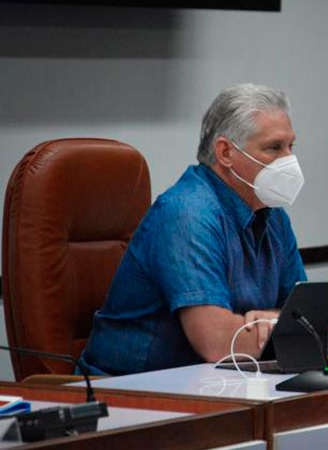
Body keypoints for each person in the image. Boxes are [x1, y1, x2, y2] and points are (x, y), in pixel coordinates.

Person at [81, 83, 307, 375]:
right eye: (274, 148)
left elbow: (306, 316)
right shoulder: (186, 213)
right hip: (128, 392)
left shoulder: (273, 215)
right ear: (225, 152)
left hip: (216, 384)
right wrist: (283, 325)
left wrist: (274, 320)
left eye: (291, 146)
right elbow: (216, 341)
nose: (288, 160)